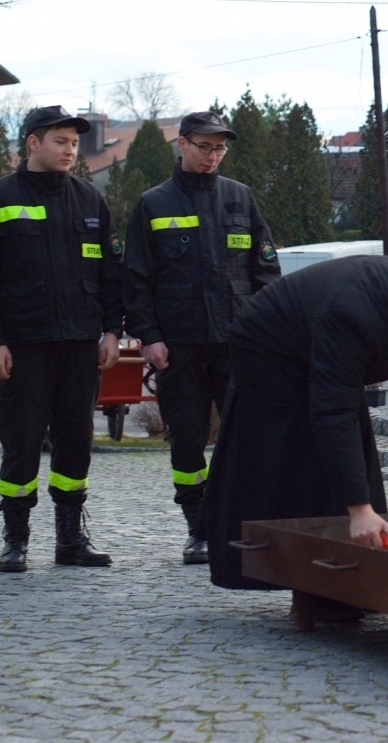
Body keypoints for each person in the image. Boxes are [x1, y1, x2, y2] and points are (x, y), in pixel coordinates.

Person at [203, 261, 388, 598]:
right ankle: (305, 576)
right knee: (302, 450)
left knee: (342, 447)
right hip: (267, 347)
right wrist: (358, 508)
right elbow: (334, 413)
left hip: (320, 337)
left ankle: (345, 580)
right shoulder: (352, 316)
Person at [0, 106, 124, 572]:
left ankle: (69, 539)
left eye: (75, 143)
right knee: (21, 443)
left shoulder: (89, 200)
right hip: (25, 346)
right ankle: (15, 539)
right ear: (33, 143)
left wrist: (113, 330)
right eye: (60, 141)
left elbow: (111, 273)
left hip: (79, 344)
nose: (70, 150)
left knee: (76, 443)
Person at [125, 110, 280, 563]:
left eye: (220, 149)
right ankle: (198, 527)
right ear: (182, 144)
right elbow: (136, 280)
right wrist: (149, 337)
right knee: (188, 439)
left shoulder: (241, 199)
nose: (213, 156)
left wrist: (262, 331)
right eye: (204, 147)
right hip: (179, 347)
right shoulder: (153, 203)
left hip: (236, 343)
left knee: (242, 434)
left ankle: (236, 522)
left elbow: (265, 272)